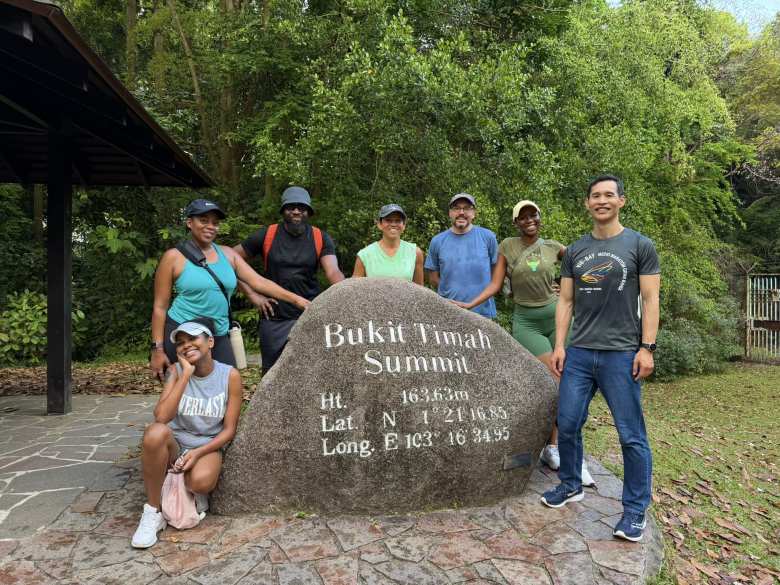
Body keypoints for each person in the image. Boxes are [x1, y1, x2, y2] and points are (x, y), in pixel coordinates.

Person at [541, 175, 660, 544]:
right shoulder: (576, 250)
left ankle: (635, 510)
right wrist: (560, 345)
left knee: (631, 435)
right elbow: (566, 301)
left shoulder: (640, 245)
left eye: (609, 195)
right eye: (596, 195)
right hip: (579, 352)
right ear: (587, 202)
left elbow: (651, 300)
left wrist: (647, 348)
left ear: (622, 201)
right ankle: (571, 484)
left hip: (622, 354)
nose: (602, 201)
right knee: (569, 422)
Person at [454, 199, 594, 487]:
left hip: (556, 317)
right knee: (552, 377)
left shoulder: (555, 247)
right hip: (526, 321)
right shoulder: (507, 246)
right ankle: (553, 447)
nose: (529, 220)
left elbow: (582, 271)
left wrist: (571, 288)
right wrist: (469, 305)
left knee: (567, 380)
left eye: (533, 215)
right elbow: (495, 285)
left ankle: (556, 448)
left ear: (540, 218)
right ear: (516, 222)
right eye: (523, 217)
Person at [150, 199, 310, 381]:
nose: (210, 226)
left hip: (217, 333)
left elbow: (258, 282)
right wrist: (157, 349)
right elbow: (159, 307)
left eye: (215, 223)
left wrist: (298, 300)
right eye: (203, 220)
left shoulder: (228, 254)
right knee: (183, 395)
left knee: (228, 386)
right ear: (189, 223)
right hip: (183, 333)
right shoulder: (173, 257)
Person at [132, 318, 242, 548]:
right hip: (176, 441)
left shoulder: (229, 376)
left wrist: (198, 452)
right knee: (154, 433)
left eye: (193, 338)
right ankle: (153, 511)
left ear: (210, 341)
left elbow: (229, 429)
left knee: (200, 483)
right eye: (180, 342)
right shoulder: (175, 371)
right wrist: (184, 376)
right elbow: (161, 418)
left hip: (206, 444)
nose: (186, 345)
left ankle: (178, 482)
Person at [234, 187, 345, 372]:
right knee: (272, 372)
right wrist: (253, 295)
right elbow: (228, 260)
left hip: (309, 314)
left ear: (308, 211)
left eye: (301, 207)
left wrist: (346, 289)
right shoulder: (267, 235)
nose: (296, 211)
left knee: (312, 370)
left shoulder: (319, 237)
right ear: (283, 210)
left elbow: (332, 271)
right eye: (290, 207)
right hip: (274, 316)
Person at [424, 193, 498, 319]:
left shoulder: (488, 237)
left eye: (467, 208)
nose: (461, 212)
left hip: (483, 314)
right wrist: (451, 295)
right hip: (448, 313)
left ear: (474, 213)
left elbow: (496, 275)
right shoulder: (437, 241)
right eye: (456, 208)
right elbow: (433, 278)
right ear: (450, 213)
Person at [353, 204, 424, 284]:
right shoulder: (364, 255)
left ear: (404, 225)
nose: (393, 224)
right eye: (388, 220)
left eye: (398, 221)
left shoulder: (415, 253)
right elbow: (355, 290)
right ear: (379, 224)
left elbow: (420, 290)